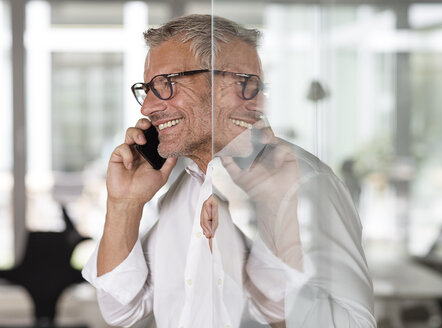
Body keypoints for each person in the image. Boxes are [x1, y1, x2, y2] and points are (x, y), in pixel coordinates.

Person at [82, 14, 376, 328]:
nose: (147, 107)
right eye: (147, 89)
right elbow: (122, 310)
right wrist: (124, 206)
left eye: (165, 85)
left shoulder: (308, 184)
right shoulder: (186, 188)